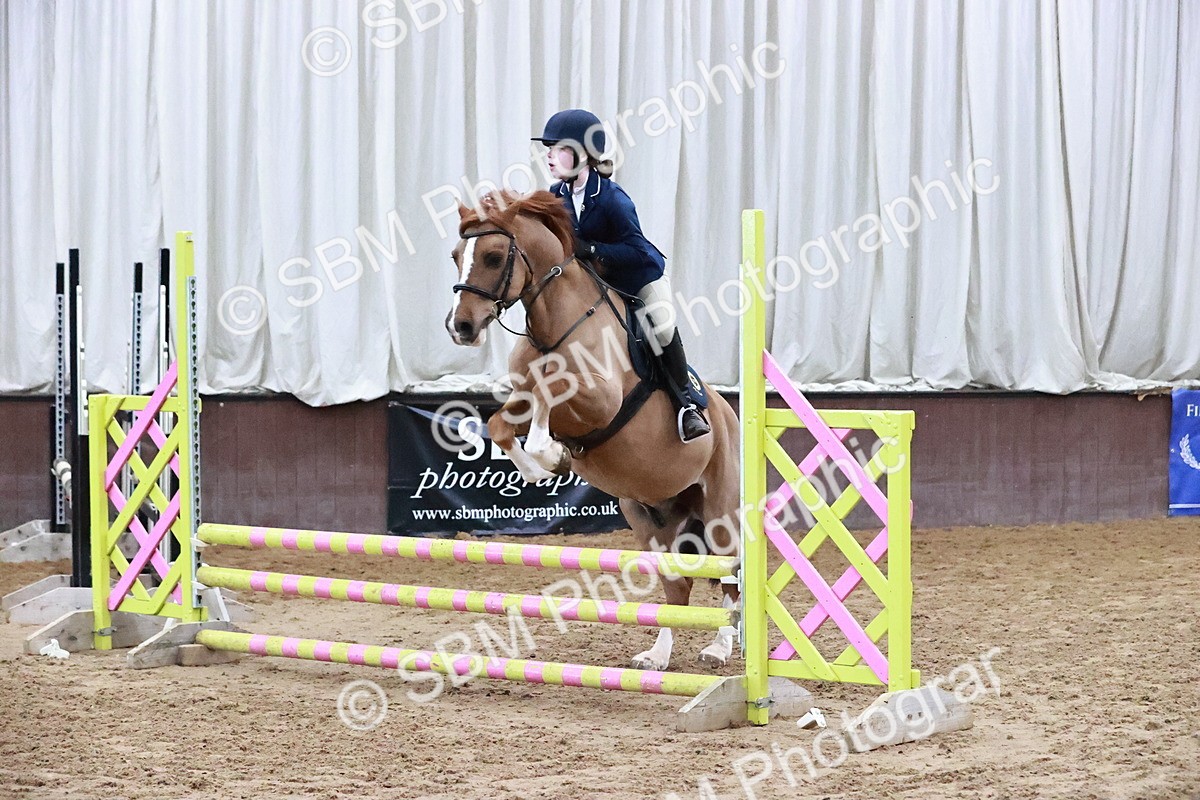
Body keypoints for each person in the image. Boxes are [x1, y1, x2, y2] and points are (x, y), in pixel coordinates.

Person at [532, 108, 710, 443]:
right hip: (597, 284)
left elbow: (637, 250)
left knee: (661, 324)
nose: (550, 157)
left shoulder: (612, 198)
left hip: (637, 278)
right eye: (549, 149)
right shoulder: (556, 195)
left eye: (559, 149)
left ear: (584, 155)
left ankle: (686, 405)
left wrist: (593, 249)